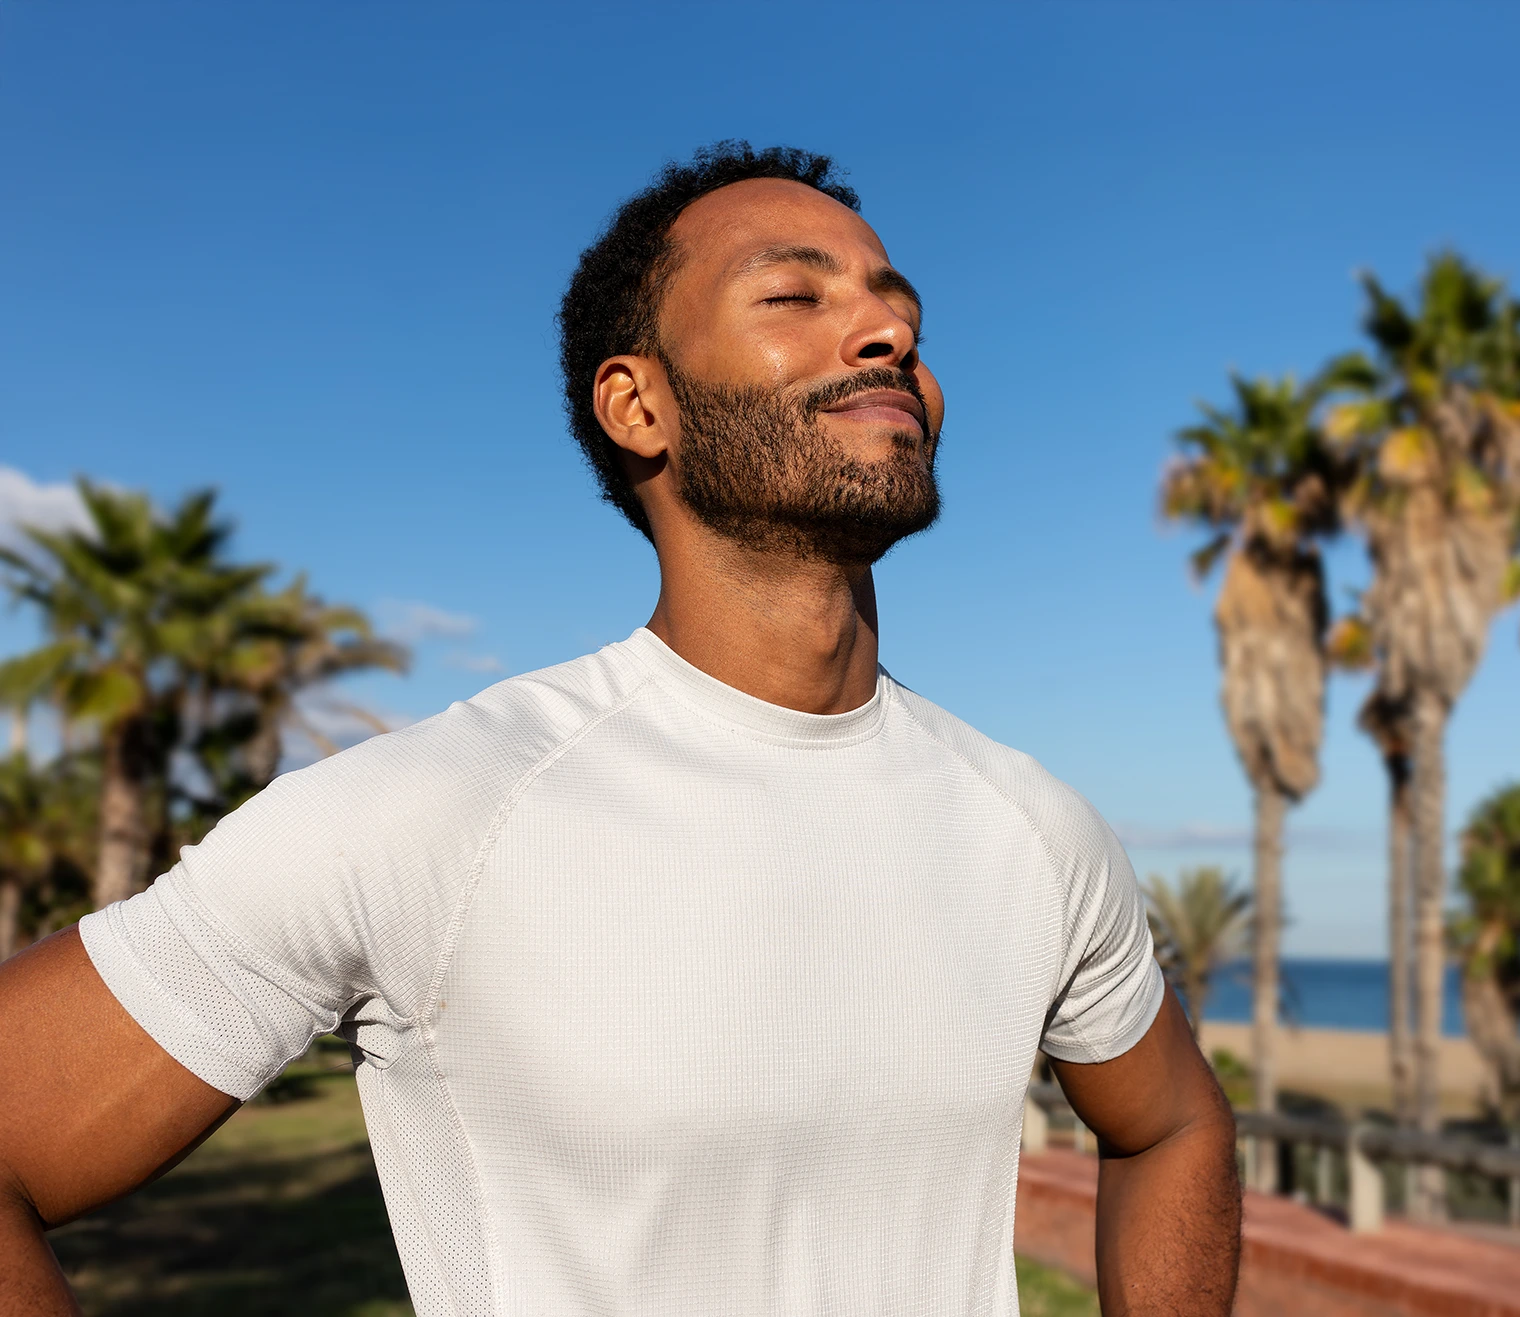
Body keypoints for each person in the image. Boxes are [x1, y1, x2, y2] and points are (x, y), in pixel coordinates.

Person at [0, 142, 1240, 1316]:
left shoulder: (1031, 827)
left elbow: (1173, 1123)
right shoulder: (439, 811)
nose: (890, 333)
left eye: (895, 303)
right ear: (638, 406)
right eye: (792, 297)